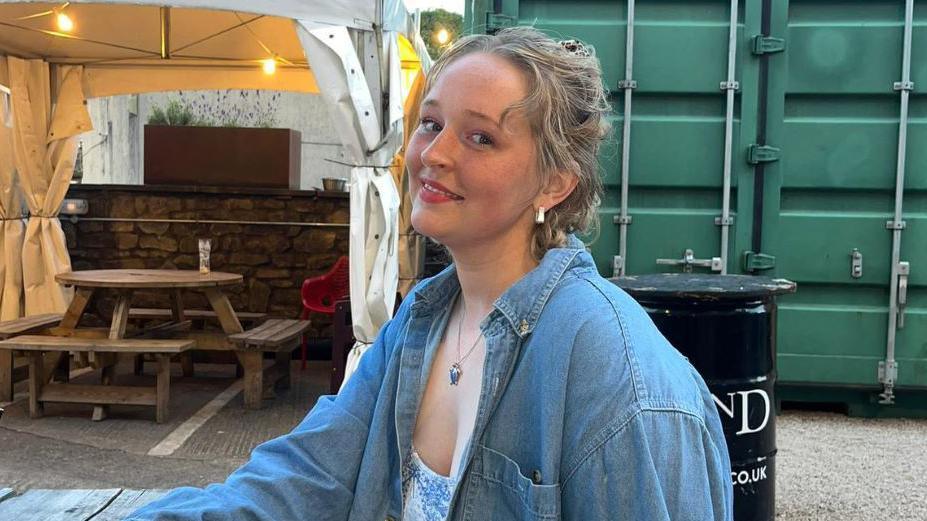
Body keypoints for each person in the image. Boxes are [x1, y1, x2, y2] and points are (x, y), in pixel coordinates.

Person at [128, 27, 733, 520]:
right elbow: (308, 474)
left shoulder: (620, 377)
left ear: (555, 184)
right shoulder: (420, 321)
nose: (435, 154)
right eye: (430, 123)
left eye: (480, 137)